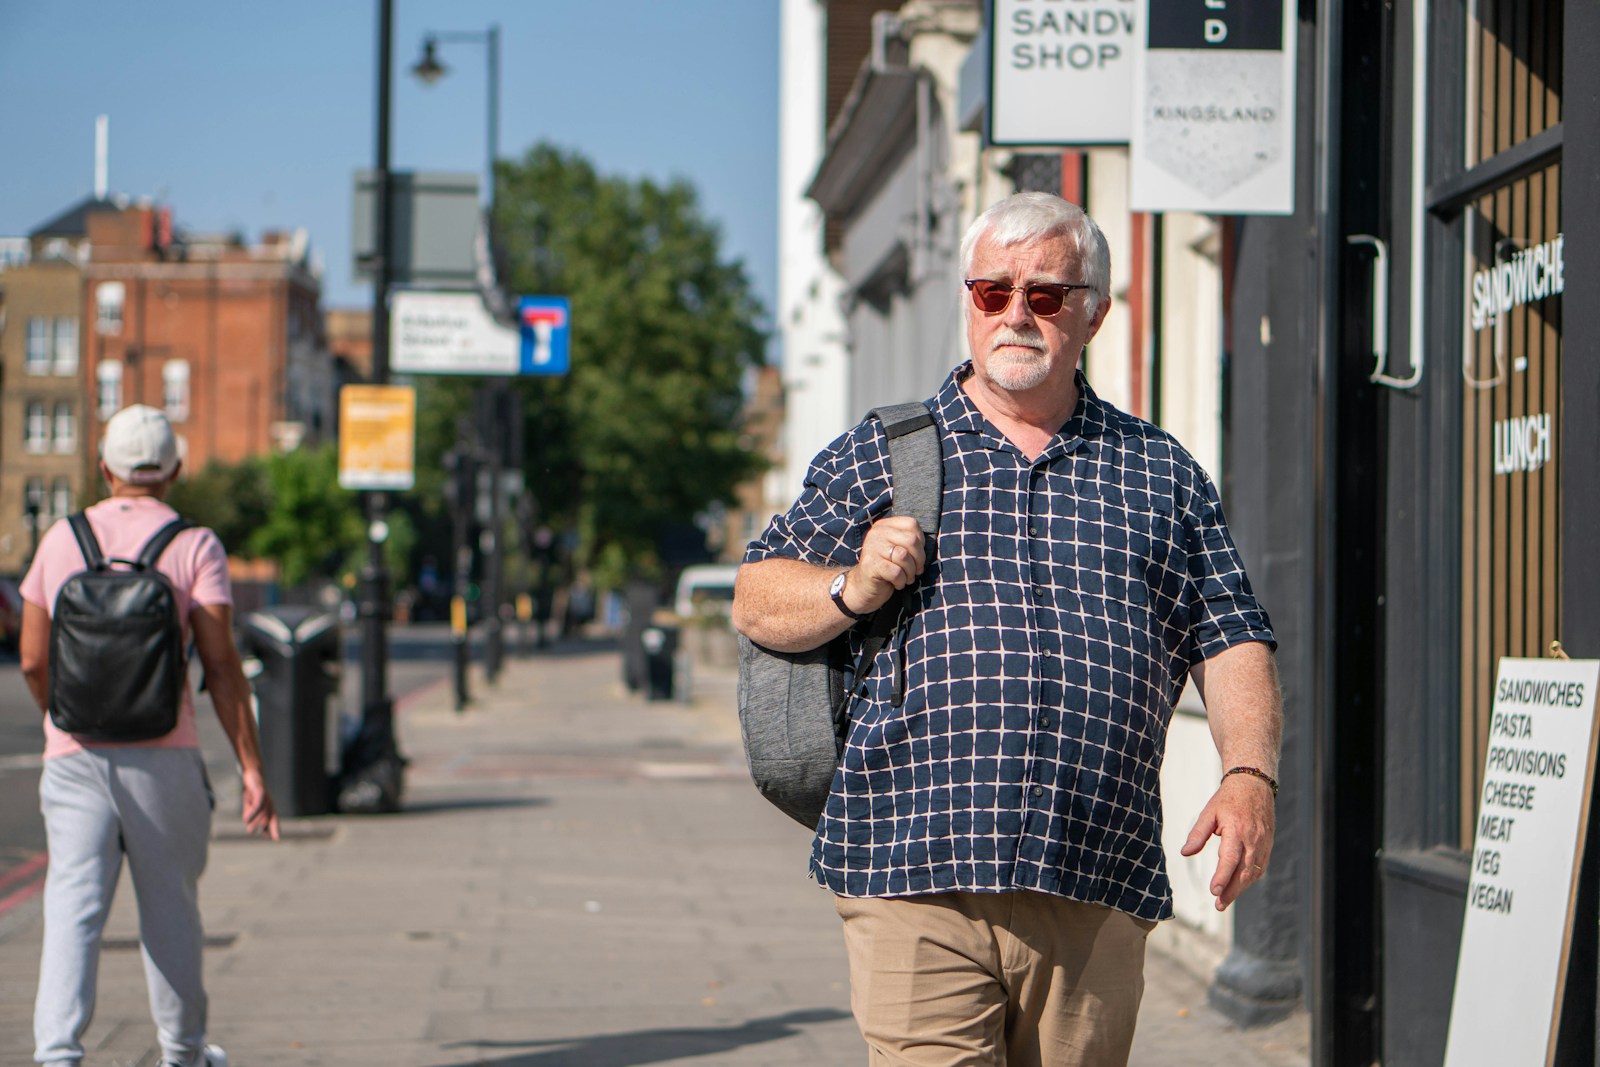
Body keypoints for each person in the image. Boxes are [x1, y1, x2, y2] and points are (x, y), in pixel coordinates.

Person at [732, 192, 1282, 1066]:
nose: (1016, 312)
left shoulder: (1157, 471)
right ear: (969, 302)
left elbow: (1230, 632)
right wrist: (854, 583)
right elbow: (757, 595)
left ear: (1094, 312)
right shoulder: (883, 451)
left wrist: (1248, 774)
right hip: (914, 869)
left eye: (1047, 294)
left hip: (1094, 871)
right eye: (993, 292)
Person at [19, 404, 279, 1067]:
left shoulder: (61, 538)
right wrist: (251, 767)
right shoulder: (195, 545)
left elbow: (30, 656)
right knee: (171, 909)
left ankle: (57, 1054)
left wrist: (63, 715)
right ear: (175, 471)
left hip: (75, 755)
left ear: (103, 468)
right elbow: (221, 667)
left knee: (72, 907)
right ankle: (183, 1053)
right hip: (165, 754)